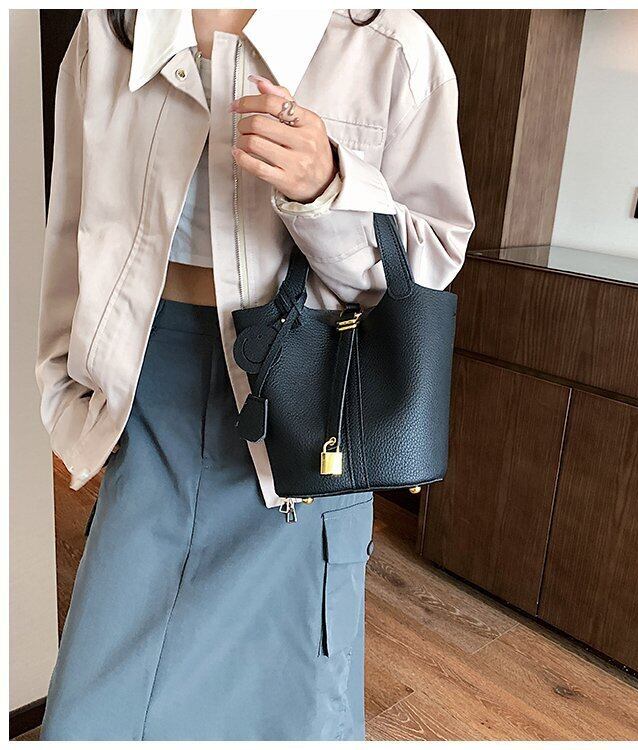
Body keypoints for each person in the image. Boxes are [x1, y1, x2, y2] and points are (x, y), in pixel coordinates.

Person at [36, 8, 474, 740]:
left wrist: (330, 187)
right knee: (94, 715)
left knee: (286, 712)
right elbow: (75, 221)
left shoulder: (389, 46)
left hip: (310, 408)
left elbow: (429, 264)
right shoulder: (115, 25)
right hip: (150, 396)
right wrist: (65, 380)